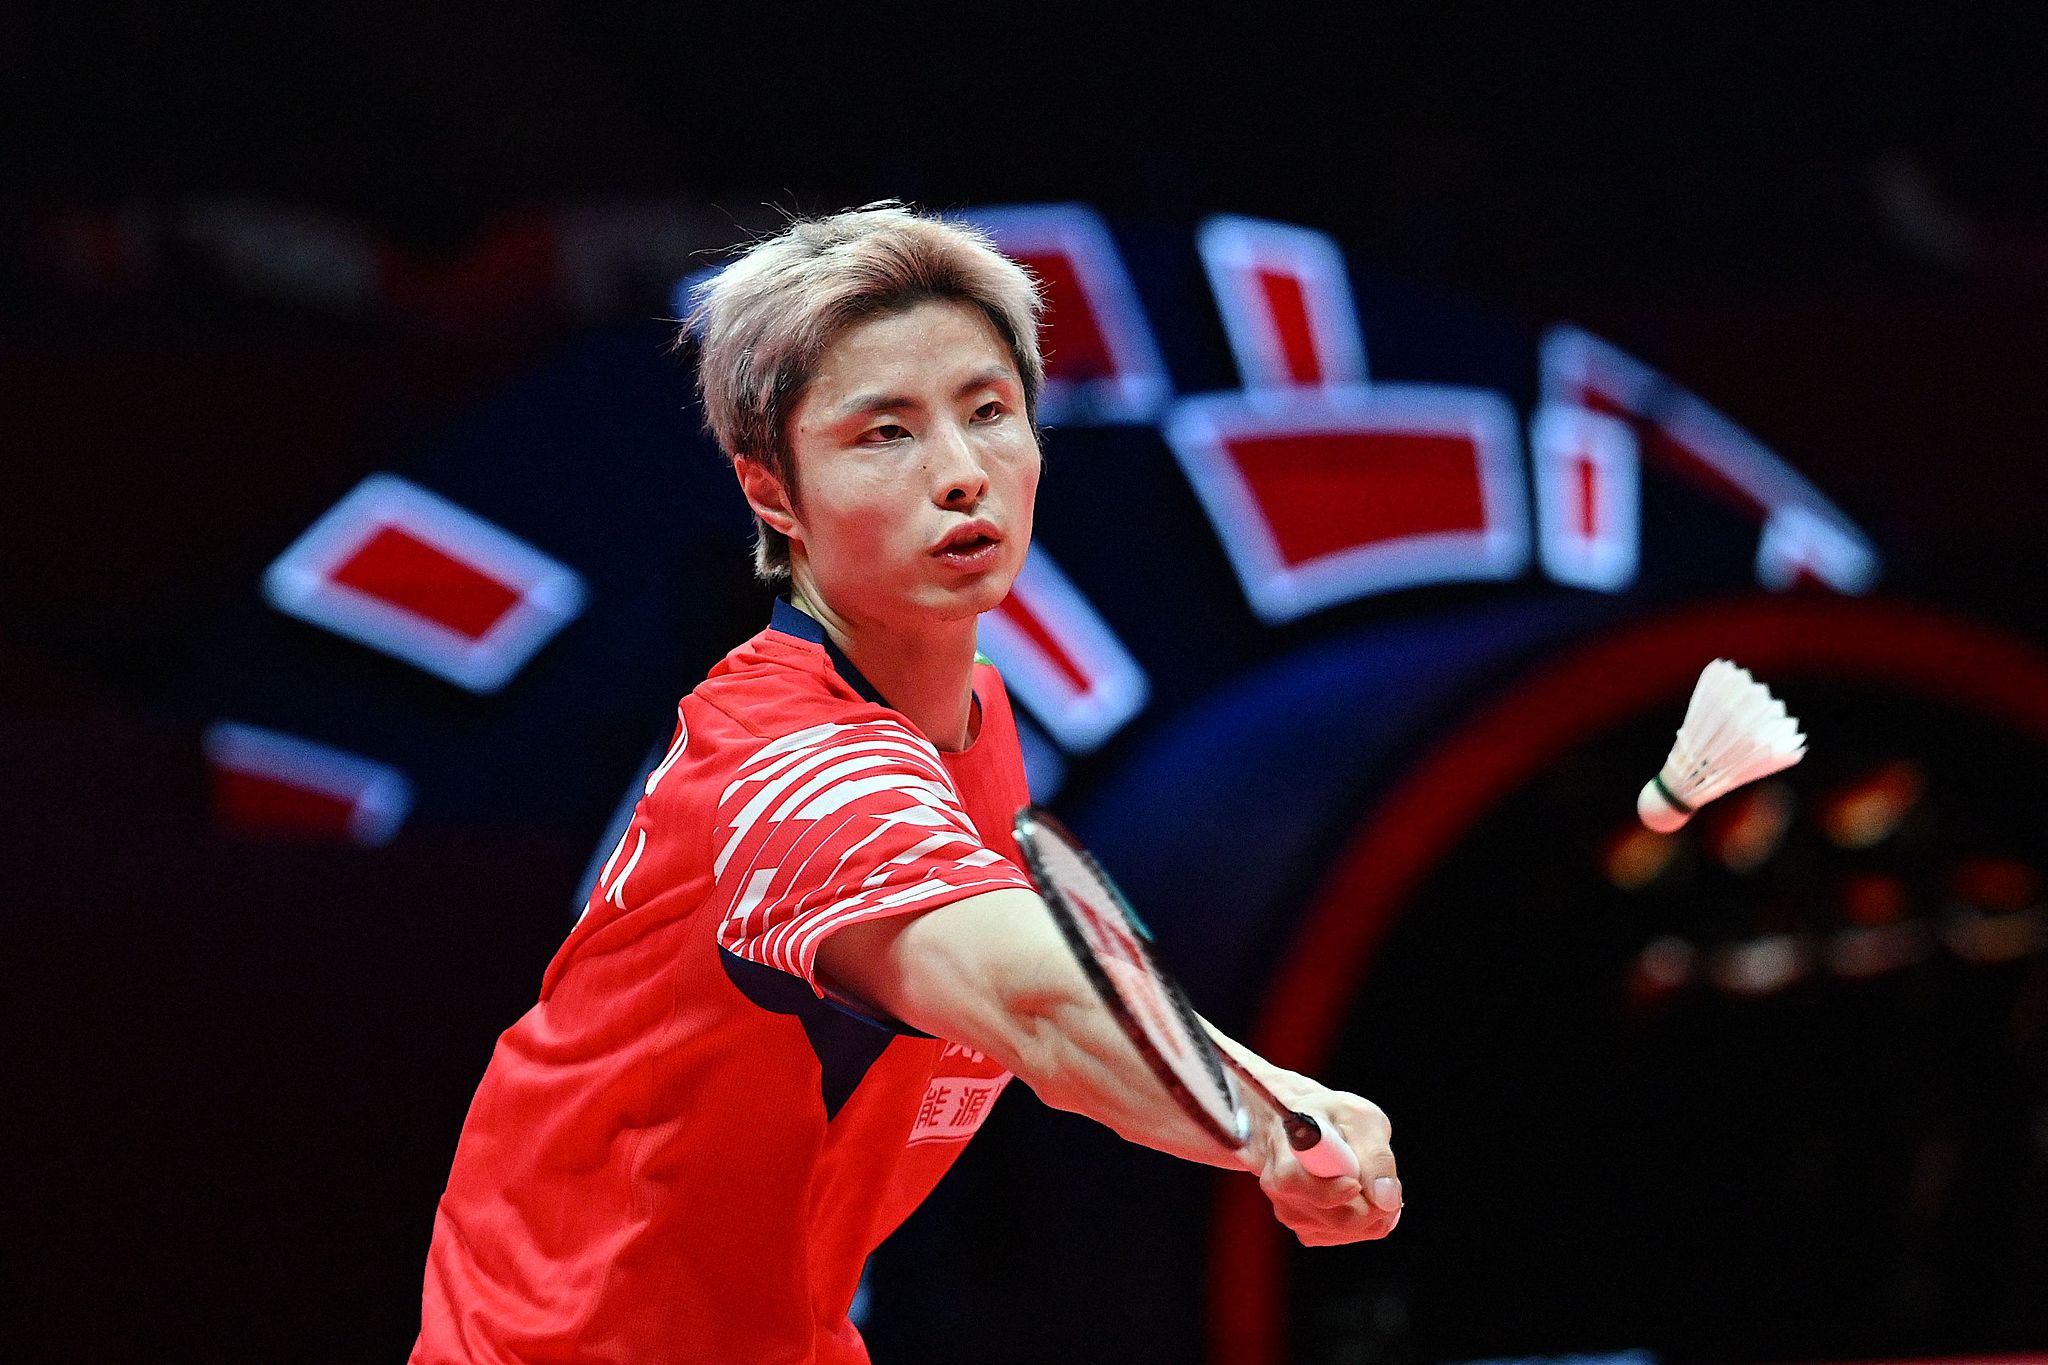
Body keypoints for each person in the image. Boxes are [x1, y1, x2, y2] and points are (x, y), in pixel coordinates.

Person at [411, 205, 1399, 1364]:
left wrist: (1251, 1117)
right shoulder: (793, 778)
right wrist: (1260, 1100)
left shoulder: (966, 712)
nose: (961, 474)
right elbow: (1037, 1002)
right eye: (884, 434)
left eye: (988, 413)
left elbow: (1048, 1028)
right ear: (774, 493)